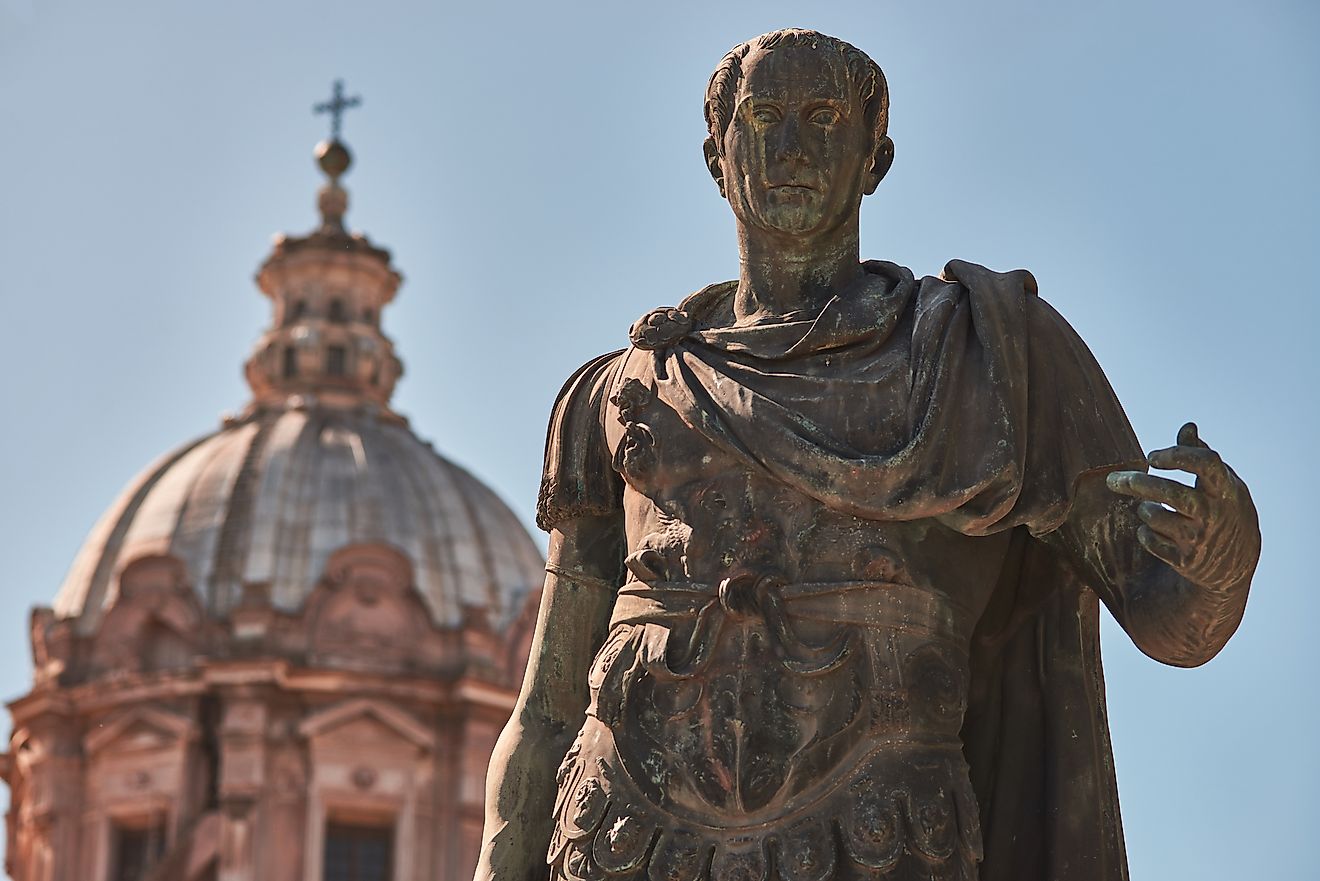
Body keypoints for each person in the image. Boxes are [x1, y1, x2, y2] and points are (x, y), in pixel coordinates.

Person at [475, 29, 1259, 881]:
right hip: (625, 838)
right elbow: (547, 706)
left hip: (880, 833)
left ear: (874, 156)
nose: (791, 147)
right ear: (717, 157)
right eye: (763, 117)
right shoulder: (619, 391)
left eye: (823, 117)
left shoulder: (986, 360)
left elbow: (1171, 616)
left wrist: (1220, 561)